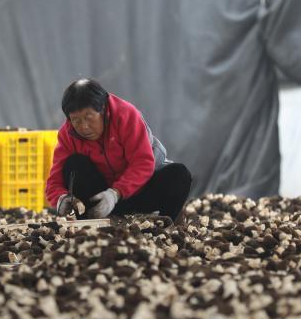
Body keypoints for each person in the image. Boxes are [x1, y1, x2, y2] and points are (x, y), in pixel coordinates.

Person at [45, 78, 192, 221]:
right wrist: (61, 198)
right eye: (76, 120)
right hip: (101, 202)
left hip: (139, 191)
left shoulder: (127, 116)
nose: (84, 127)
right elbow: (54, 180)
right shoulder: (68, 134)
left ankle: (161, 223)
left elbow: (143, 163)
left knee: (179, 174)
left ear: (102, 109)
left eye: (89, 117)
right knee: (74, 164)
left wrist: (115, 193)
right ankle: (91, 223)